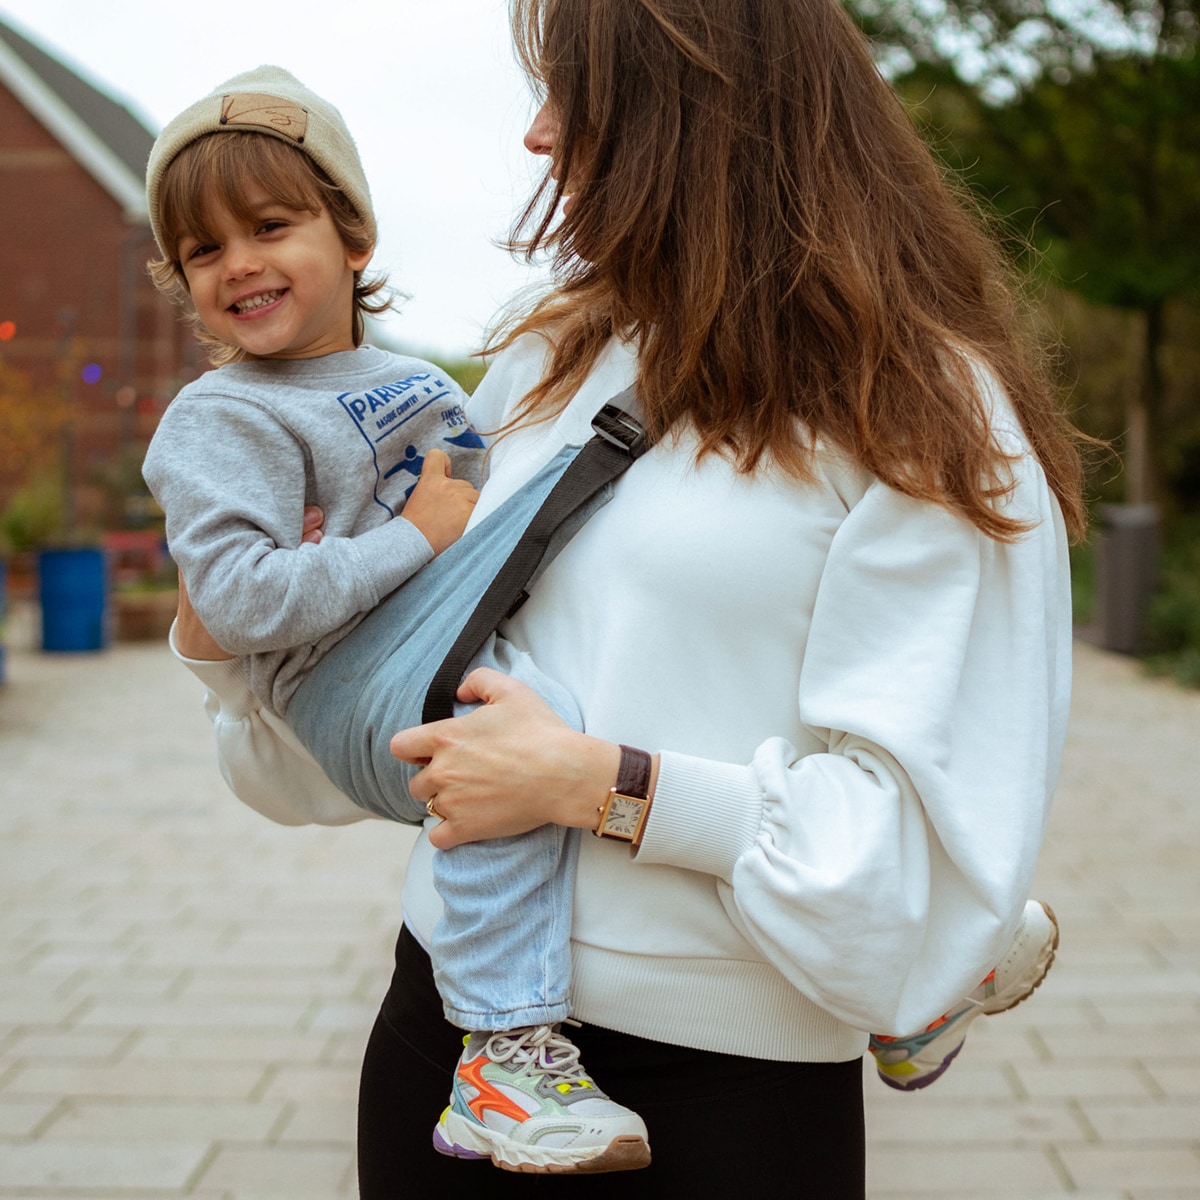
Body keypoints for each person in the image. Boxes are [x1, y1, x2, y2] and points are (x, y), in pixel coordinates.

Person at [170, 1, 1088, 1194]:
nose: (538, 135)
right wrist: (224, 647)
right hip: (444, 1044)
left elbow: (908, 865)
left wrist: (598, 785)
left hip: (729, 1099)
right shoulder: (543, 364)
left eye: (571, 92)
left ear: (689, 108)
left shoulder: (924, 415)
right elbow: (362, 740)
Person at [142, 66, 654, 1175]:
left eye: (270, 226)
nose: (239, 263)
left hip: (425, 636)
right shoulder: (220, 417)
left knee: (612, 684)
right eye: (203, 250)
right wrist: (411, 540)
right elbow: (235, 602)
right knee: (511, 733)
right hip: (334, 685)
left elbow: (489, 520)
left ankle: (888, 948)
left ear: (356, 237)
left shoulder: (417, 382)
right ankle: (501, 1053)